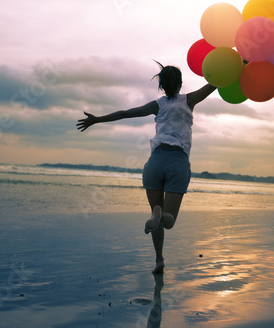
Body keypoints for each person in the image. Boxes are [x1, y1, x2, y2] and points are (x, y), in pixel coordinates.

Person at [76, 61, 216, 273]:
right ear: (181, 83)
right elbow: (215, 82)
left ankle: (159, 260)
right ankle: (160, 216)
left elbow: (125, 113)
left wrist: (97, 120)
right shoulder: (189, 100)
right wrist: (241, 63)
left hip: (155, 162)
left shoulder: (157, 105)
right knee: (168, 221)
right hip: (177, 162)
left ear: (161, 85)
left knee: (156, 217)